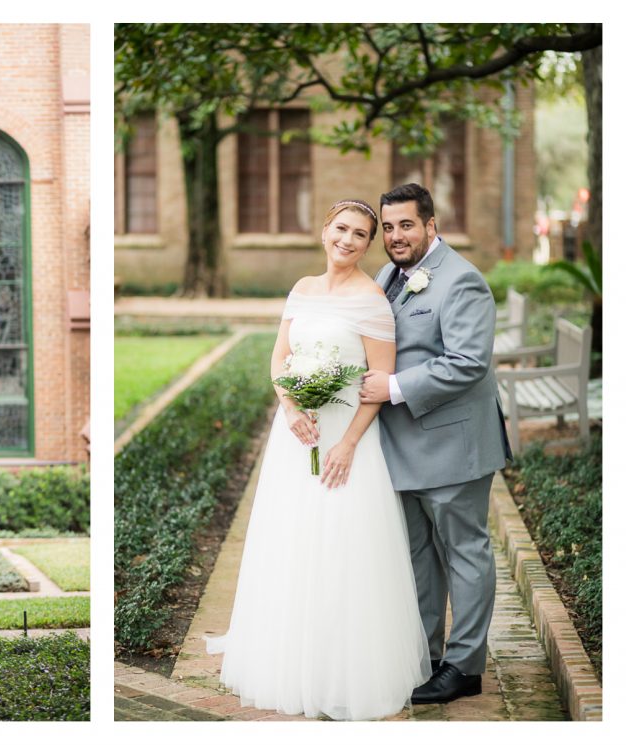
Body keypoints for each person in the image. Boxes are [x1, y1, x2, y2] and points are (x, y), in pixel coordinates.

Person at [205, 199, 431, 720]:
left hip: (345, 443)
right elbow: (280, 357)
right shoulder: (301, 290)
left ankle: (341, 666)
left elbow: (376, 385)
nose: (348, 240)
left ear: (367, 245)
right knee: (292, 541)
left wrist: (348, 443)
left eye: (360, 235)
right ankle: (290, 657)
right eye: (341, 229)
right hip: (297, 439)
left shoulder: (373, 300)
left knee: (343, 546)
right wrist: (289, 407)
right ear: (324, 230)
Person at [360, 183, 512, 704]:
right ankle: (424, 655)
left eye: (406, 225)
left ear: (430, 225)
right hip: (400, 446)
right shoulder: (388, 275)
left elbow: (468, 363)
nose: (396, 236)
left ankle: (464, 666)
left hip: (453, 448)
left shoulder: (462, 280)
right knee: (417, 556)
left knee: (464, 552)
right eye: (388, 227)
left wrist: (394, 387)